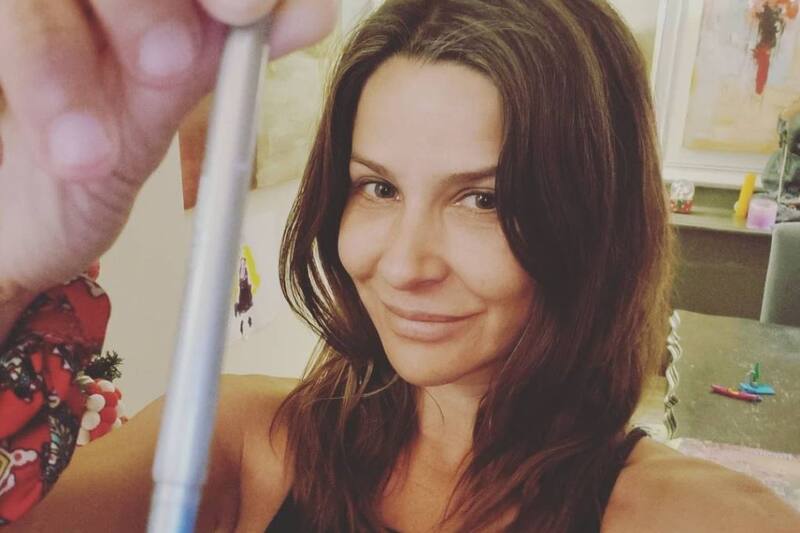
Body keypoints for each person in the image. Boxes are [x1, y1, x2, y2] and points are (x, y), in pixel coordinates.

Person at [0, 0, 798, 531]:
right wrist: (9, 274)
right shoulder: (241, 442)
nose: (405, 263)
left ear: (594, 219)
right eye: (378, 187)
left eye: (482, 198)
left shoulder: (700, 518)